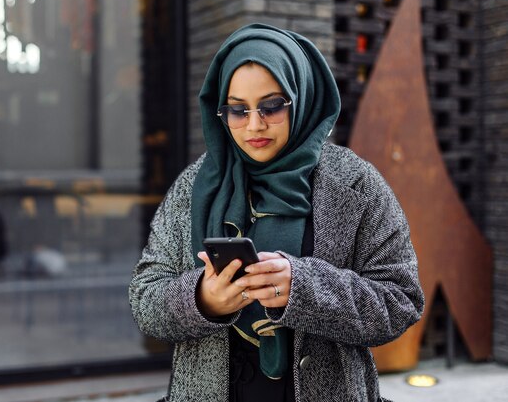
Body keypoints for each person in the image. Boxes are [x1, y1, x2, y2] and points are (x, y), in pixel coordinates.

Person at [129, 23, 424, 402]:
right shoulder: (193, 187)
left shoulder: (356, 185)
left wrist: (304, 289)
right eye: (237, 110)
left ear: (301, 97)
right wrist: (202, 299)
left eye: (271, 106)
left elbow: (401, 301)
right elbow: (145, 299)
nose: (254, 125)